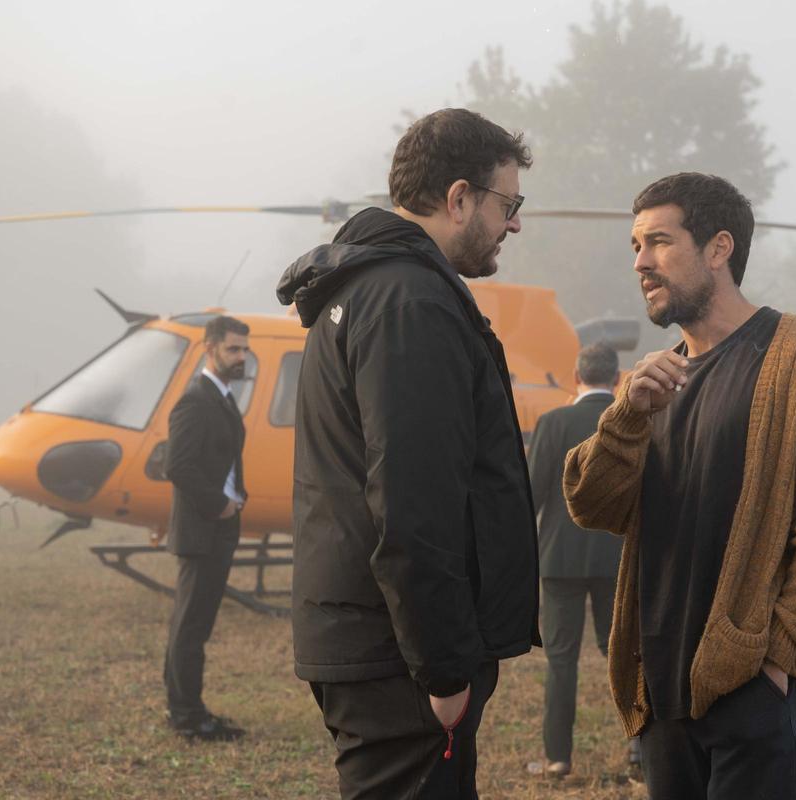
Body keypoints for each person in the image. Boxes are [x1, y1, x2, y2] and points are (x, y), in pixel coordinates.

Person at [563, 172, 796, 800]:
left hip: (749, 692)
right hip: (658, 693)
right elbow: (591, 503)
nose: (640, 262)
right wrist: (626, 416)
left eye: (658, 241)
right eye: (634, 246)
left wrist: (776, 664)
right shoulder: (653, 382)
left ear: (718, 248)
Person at [276, 108, 539, 800]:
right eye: (507, 205)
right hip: (397, 656)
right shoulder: (411, 304)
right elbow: (413, 503)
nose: (514, 224)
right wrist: (445, 670)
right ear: (459, 199)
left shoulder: (369, 291)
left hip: (371, 638)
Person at [525, 343, 625, 778]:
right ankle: (642, 752)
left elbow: (531, 495)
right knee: (623, 655)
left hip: (559, 559)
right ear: (618, 379)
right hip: (617, 559)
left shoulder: (553, 423)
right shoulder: (632, 424)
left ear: (576, 375)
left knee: (561, 659)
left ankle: (557, 758)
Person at [163, 314, 251, 741]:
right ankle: (188, 717)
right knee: (191, 629)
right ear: (209, 348)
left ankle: (185, 710)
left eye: (244, 349)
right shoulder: (196, 400)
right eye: (233, 349)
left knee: (193, 626)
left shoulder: (223, 398)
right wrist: (219, 505)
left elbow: (225, 459)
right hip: (202, 531)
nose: (241, 357)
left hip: (218, 529)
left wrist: (239, 497)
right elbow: (176, 465)